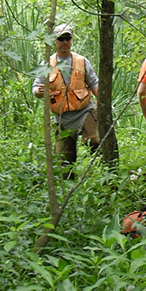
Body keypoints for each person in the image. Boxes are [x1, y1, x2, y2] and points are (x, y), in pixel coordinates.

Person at [32, 24, 100, 177]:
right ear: (54, 41)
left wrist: (103, 102)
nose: (64, 42)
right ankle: (69, 192)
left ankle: (103, 174)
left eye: (67, 38)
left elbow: (94, 83)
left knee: (95, 140)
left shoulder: (82, 61)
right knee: (64, 163)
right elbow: (35, 88)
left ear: (72, 40)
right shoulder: (47, 64)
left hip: (84, 111)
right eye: (60, 39)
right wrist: (38, 91)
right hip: (61, 117)